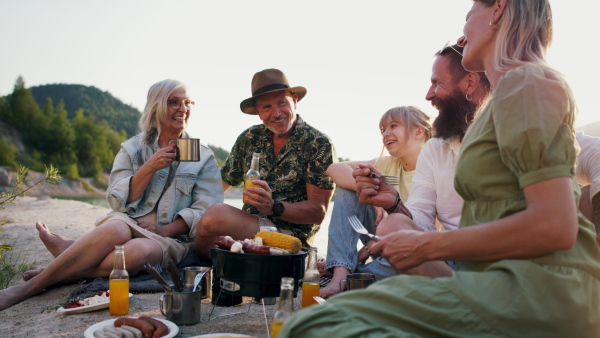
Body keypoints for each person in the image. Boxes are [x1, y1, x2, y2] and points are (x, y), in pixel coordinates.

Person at [278, 1, 600, 336]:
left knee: (314, 326)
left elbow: (555, 224)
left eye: (467, 17)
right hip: (486, 281)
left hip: (536, 294)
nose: (462, 35)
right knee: (324, 317)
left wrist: (424, 247)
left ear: (498, 8)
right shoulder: (505, 98)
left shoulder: (529, 84)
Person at [0, 79, 224, 311]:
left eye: (188, 103)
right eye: (174, 102)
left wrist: (164, 230)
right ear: (156, 108)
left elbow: (206, 211)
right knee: (117, 226)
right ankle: (28, 288)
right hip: (126, 224)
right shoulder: (132, 149)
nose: (183, 109)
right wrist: (149, 167)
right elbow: (116, 201)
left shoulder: (203, 157)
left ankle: (62, 267)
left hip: (171, 240)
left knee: (138, 251)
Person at [193, 69, 336, 260]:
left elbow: (318, 212)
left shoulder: (318, 142)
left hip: (291, 237)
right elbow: (218, 187)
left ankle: (198, 264)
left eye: (282, 103)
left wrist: (273, 206)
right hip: (249, 227)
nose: (276, 113)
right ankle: (205, 269)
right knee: (201, 223)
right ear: (258, 112)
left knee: (215, 216)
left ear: (294, 100)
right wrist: (182, 216)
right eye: (267, 107)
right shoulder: (250, 137)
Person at [320, 106, 432, 298]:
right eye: (383, 130)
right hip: (382, 243)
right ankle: (340, 273)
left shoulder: (433, 168)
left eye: (393, 126)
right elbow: (334, 168)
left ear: (419, 132)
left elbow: (429, 233)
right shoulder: (386, 164)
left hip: (413, 253)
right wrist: (373, 197)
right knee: (351, 187)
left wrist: (366, 249)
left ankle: (351, 275)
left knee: (407, 262)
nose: (385, 134)